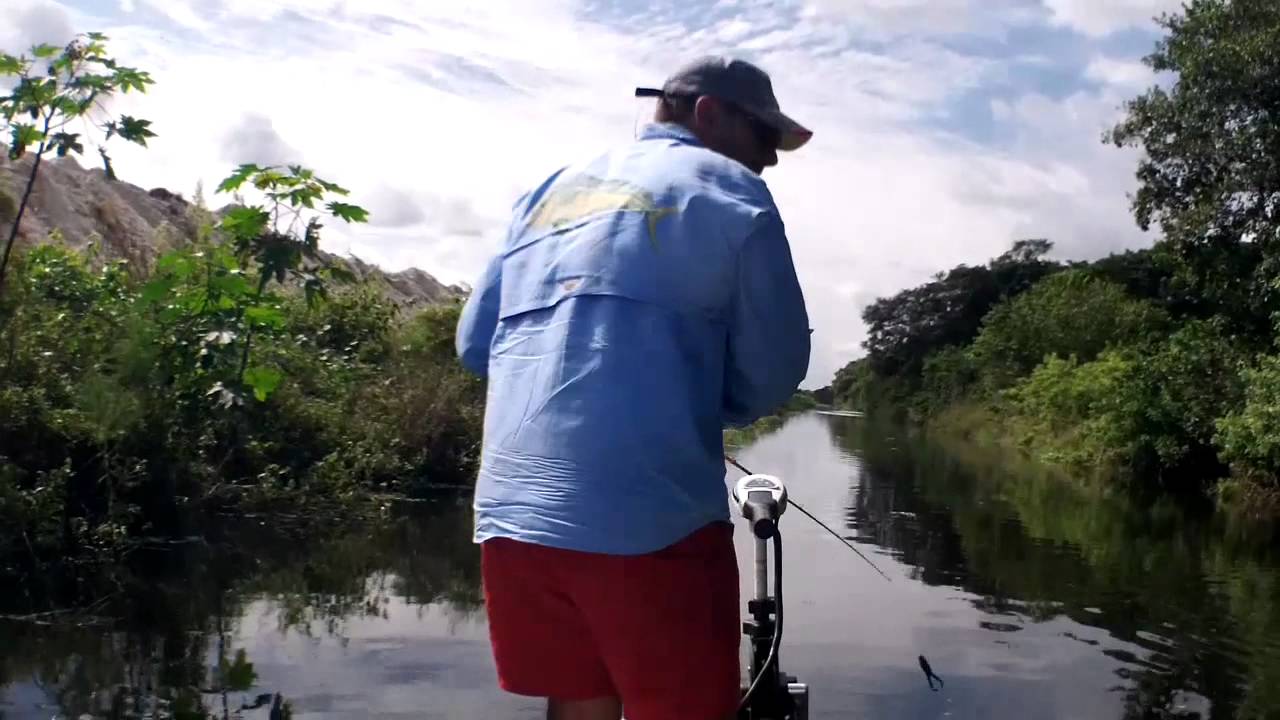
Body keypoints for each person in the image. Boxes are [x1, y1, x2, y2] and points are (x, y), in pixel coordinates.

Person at [454, 55, 813, 720]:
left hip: (513, 522)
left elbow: (477, 348)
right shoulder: (735, 193)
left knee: (580, 701)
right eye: (763, 136)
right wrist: (700, 404)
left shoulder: (546, 192)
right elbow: (772, 371)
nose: (769, 158)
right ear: (708, 113)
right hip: (652, 523)